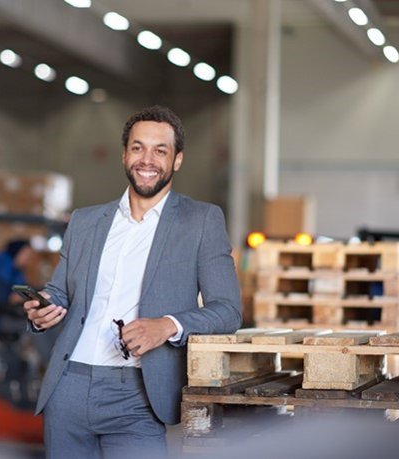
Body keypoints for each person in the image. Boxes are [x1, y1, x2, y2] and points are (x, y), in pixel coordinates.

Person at [23, 105, 242, 458]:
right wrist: (43, 307)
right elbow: (60, 291)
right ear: (125, 154)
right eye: (138, 147)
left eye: (161, 150)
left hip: (137, 394)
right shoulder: (85, 221)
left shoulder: (201, 221)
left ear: (178, 160)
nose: (147, 159)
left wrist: (168, 326)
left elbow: (228, 310)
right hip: (68, 387)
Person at [0, 239, 34, 339]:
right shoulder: (0, 264)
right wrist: (11, 297)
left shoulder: (16, 269)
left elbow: (20, 287)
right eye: (26, 254)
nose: (28, 258)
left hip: (2, 312)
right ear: (18, 251)